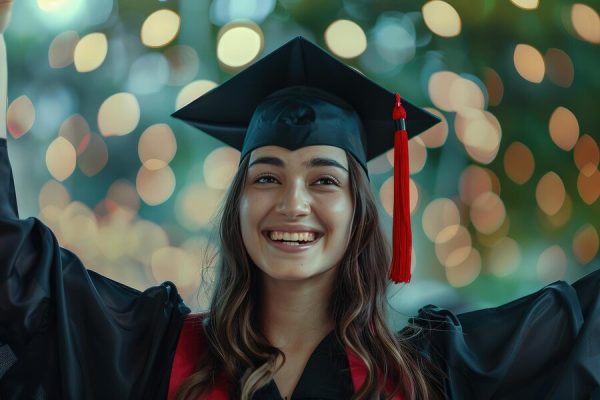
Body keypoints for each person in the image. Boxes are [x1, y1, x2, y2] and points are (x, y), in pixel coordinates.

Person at [1, 3, 598, 400]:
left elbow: (583, 327)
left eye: (324, 180)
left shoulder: (430, 373)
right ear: (236, 207)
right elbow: (19, 276)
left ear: (359, 212)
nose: (292, 202)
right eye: (265, 178)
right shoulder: (158, 352)